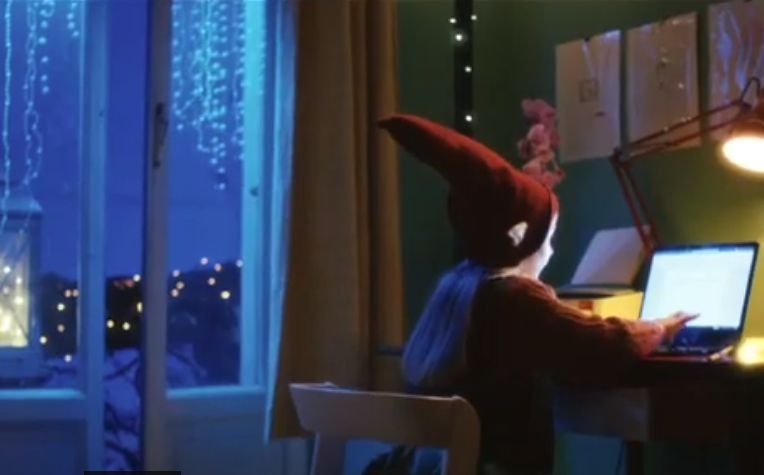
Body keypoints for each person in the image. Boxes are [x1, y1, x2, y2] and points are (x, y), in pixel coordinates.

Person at [376, 114, 696, 475]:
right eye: (548, 237)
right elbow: (604, 344)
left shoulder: (453, 287)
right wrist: (661, 327)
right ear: (521, 237)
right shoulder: (514, 298)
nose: (551, 250)